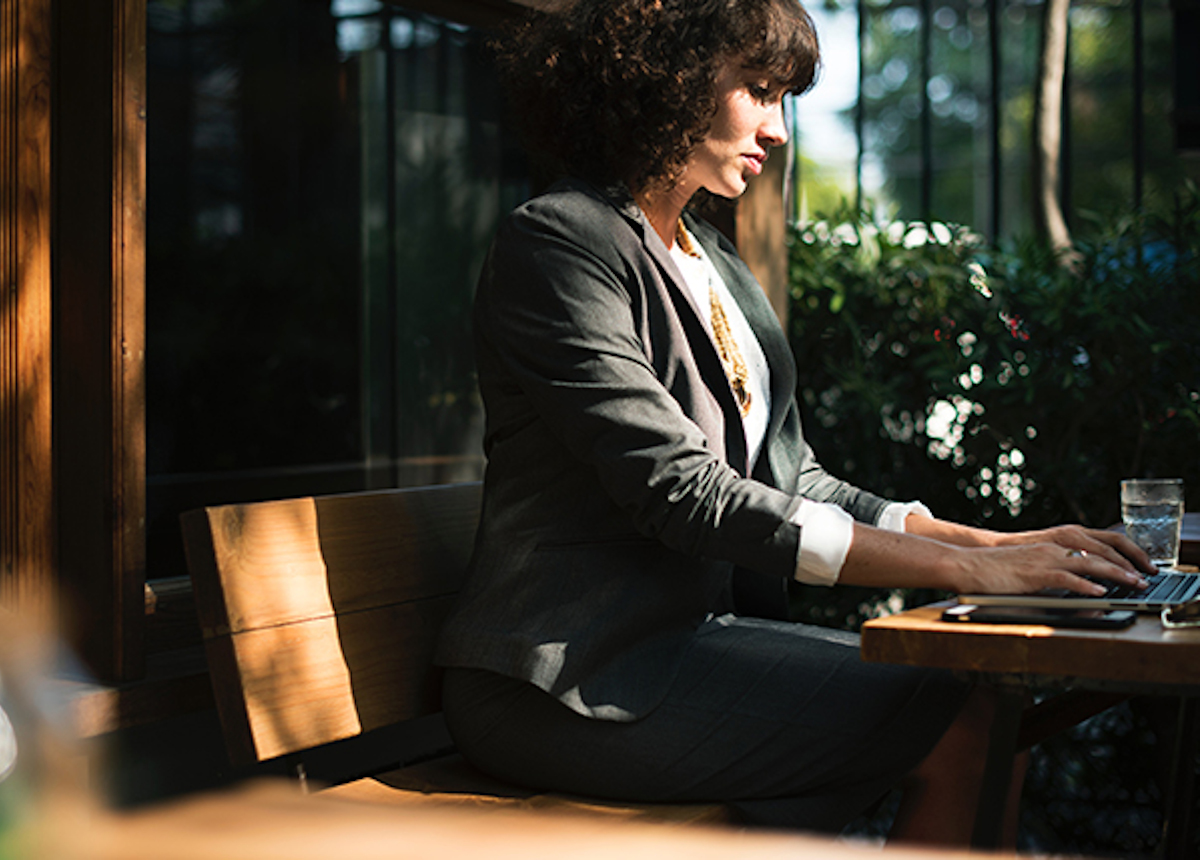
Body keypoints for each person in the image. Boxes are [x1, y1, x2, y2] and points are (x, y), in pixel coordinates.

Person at [434, 0, 1152, 845]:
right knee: (961, 717)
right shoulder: (560, 242)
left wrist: (991, 549)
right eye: (759, 91)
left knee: (983, 699)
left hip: (683, 648)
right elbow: (683, 493)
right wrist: (972, 574)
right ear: (671, 76)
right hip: (564, 680)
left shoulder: (713, 261)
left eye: (784, 99)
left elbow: (792, 476)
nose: (777, 129)